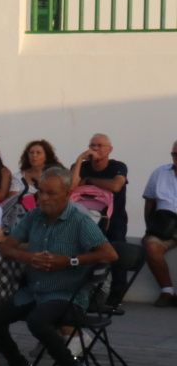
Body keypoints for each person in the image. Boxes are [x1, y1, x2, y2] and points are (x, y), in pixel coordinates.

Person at [0, 169, 118, 366]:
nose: (43, 198)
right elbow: (6, 246)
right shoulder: (34, 216)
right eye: (41, 192)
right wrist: (29, 258)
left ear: (67, 194)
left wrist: (70, 261)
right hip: (35, 291)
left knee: (38, 320)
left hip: (68, 294)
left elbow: (109, 254)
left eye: (51, 193)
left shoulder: (79, 219)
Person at [74, 132, 131, 309]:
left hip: (114, 220)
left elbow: (116, 186)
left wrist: (89, 180)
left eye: (100, 145)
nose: (95, 149)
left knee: (117, 254)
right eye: (92, 145)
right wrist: (79, 160)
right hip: (86, 219)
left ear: (109, 150)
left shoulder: (118, 166)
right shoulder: (81, 166)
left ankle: (116, 297)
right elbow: (71, 187)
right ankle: (85, 294)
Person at [141, 140, 177, 306]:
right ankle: (167, 290)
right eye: (174, 155)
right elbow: (149, 201)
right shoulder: (160, 172)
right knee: (151, 246)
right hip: (164, 224)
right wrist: (149, 227)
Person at [16, 139, 62, 205]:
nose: (34, 155)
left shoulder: (56, 174)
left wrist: (79, 160)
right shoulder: (18, 176)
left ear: (46, 156)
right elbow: (12, 200)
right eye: (31, 152)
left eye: (38, 153)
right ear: (27, 155)